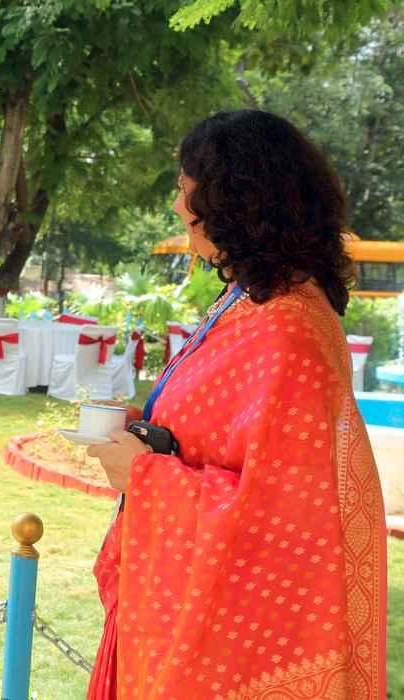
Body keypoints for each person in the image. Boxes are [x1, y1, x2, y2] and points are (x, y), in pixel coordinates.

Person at [85, 110, 387, 699]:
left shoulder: (290, 331)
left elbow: (289, 521)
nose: (177, 205)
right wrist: (149, 428)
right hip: (168, 609)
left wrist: (145, 477)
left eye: (184, 187)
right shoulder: (250, 303)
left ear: (232, 199)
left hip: (230, 657)